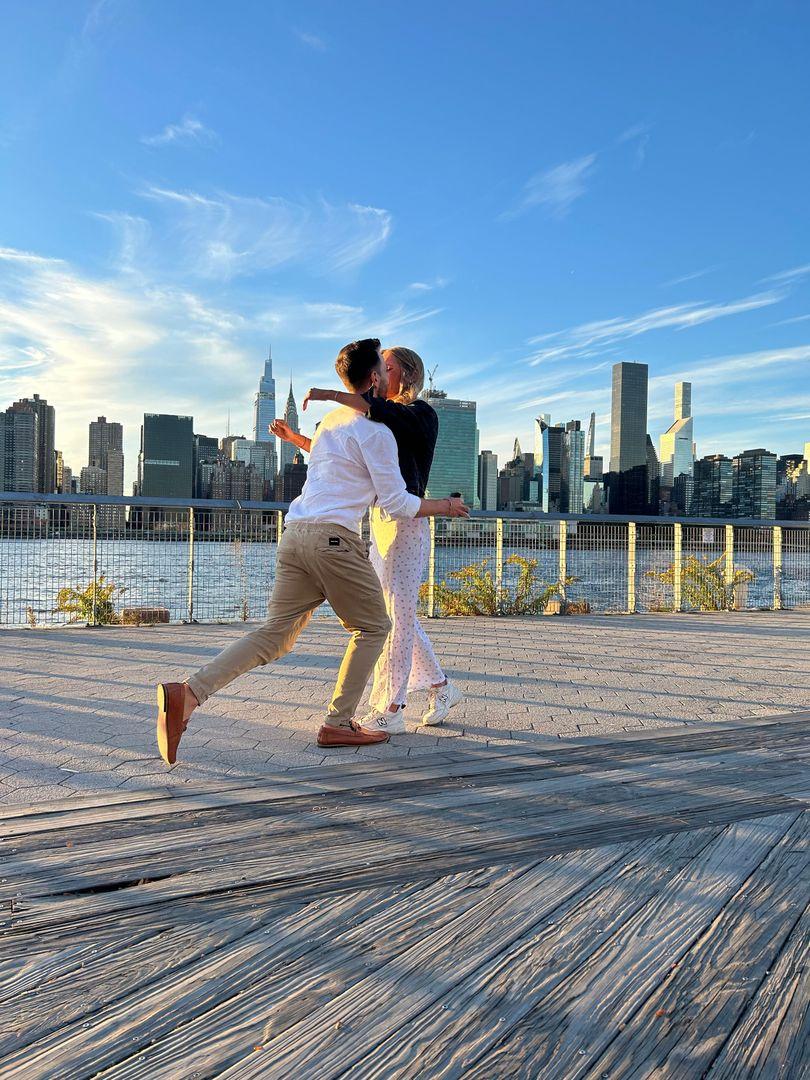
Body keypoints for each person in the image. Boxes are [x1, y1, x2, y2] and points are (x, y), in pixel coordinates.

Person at [155, 339, 468, 765]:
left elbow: (340, 462)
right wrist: (446, 506)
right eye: (383, 365)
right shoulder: (376, 432)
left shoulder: (331, 423)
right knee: (376, 627)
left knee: (273, 635)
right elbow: (397, 502)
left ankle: (188, 693)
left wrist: (313, 414)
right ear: (375, 377)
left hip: (295, 534)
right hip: (334, 541)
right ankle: (340, 722)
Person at [275, 347, 463, 736]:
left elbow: (378, 411)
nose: (379, 374)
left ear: (407, 375)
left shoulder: (419, 414)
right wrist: (296, 439)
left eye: (387, 367)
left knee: (393, 619)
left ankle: (391, 706)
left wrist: (329, 394)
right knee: (395, 615)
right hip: (381, 521)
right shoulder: (379, 419)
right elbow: (346, 455)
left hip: (409, 522)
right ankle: (443, 687)